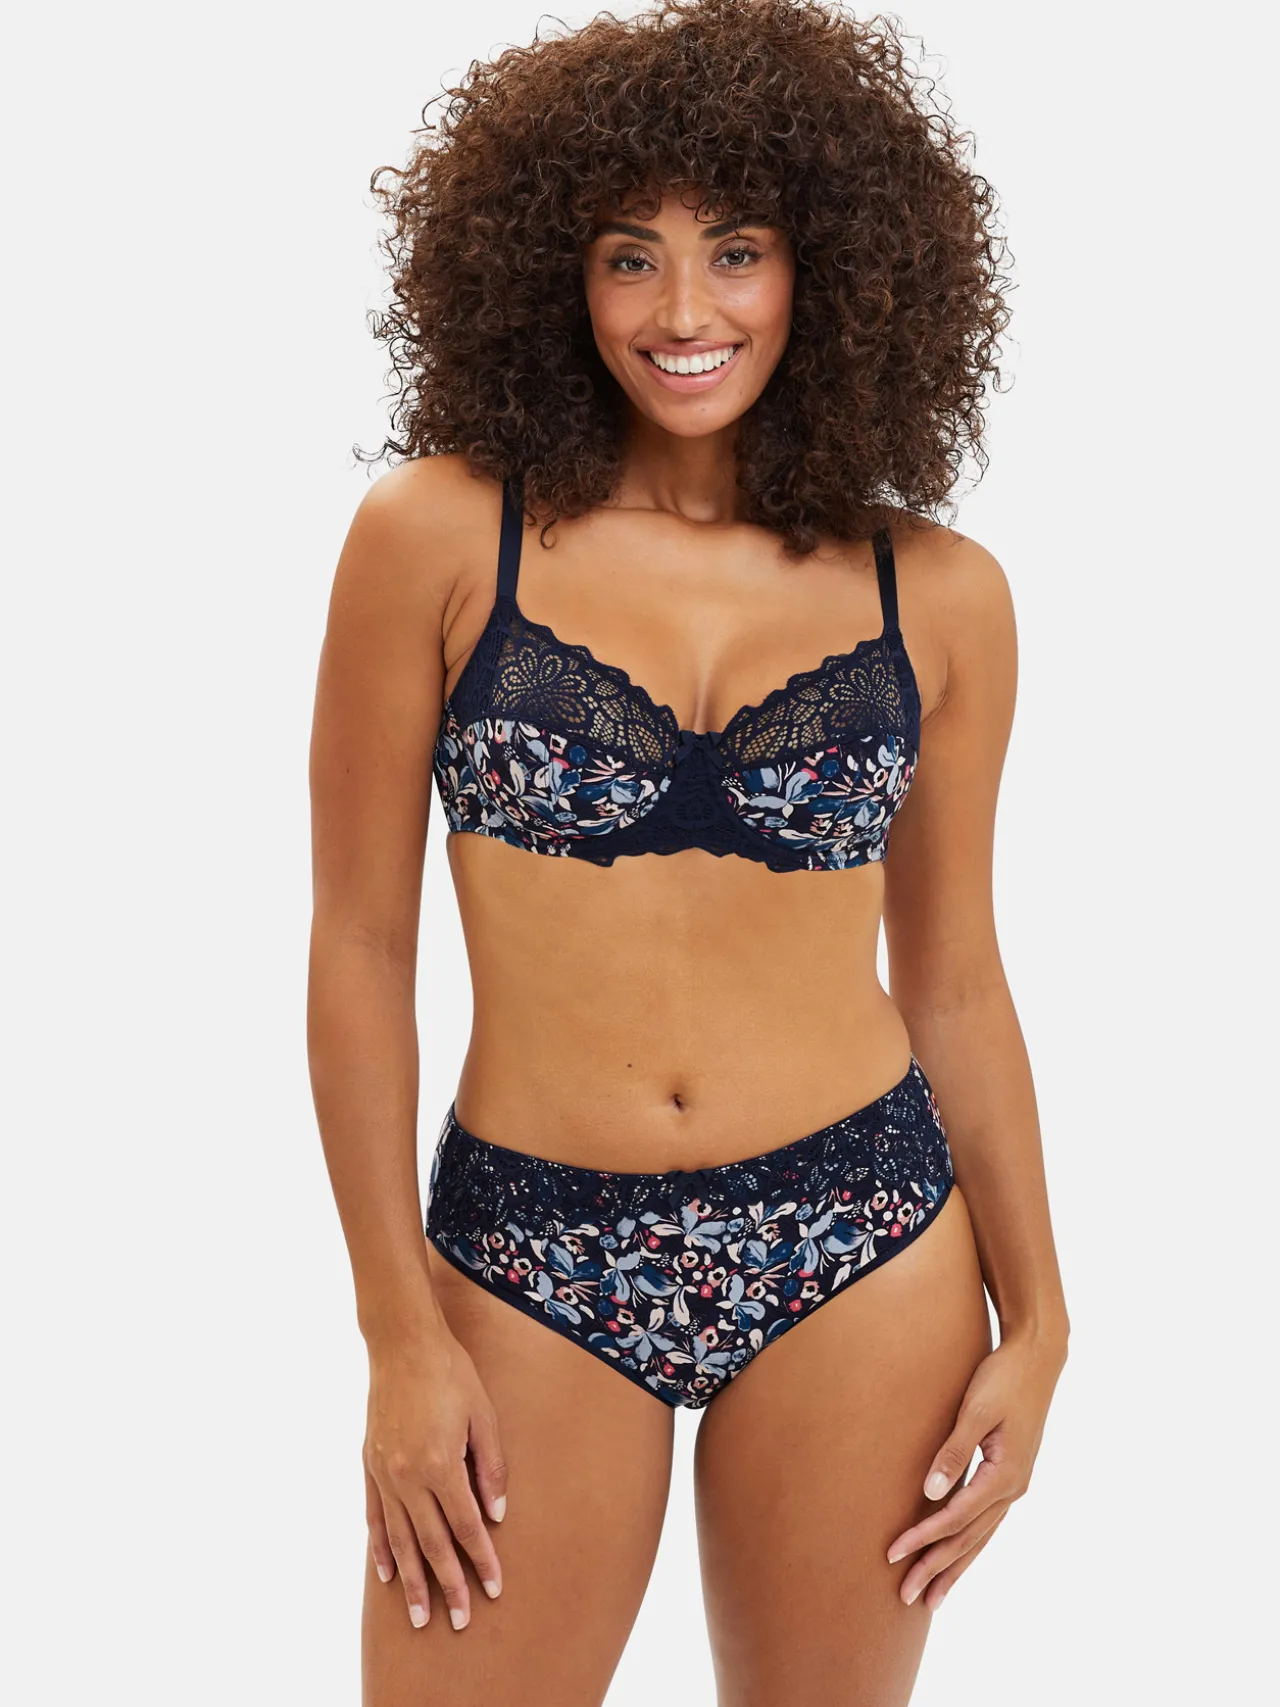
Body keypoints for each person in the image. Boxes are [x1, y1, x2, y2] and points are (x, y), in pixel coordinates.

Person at [307, 1, 1069, 1700]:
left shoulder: (942, 596)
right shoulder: (438, 539)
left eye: (737, 251)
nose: (684, 312)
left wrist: (1045, 1322)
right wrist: (395, 1331)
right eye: (628, 257)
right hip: (527, 1246)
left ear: (832, 272)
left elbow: (954, 979)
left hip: (862, 1238)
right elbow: (359, 944)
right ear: (552, 277)